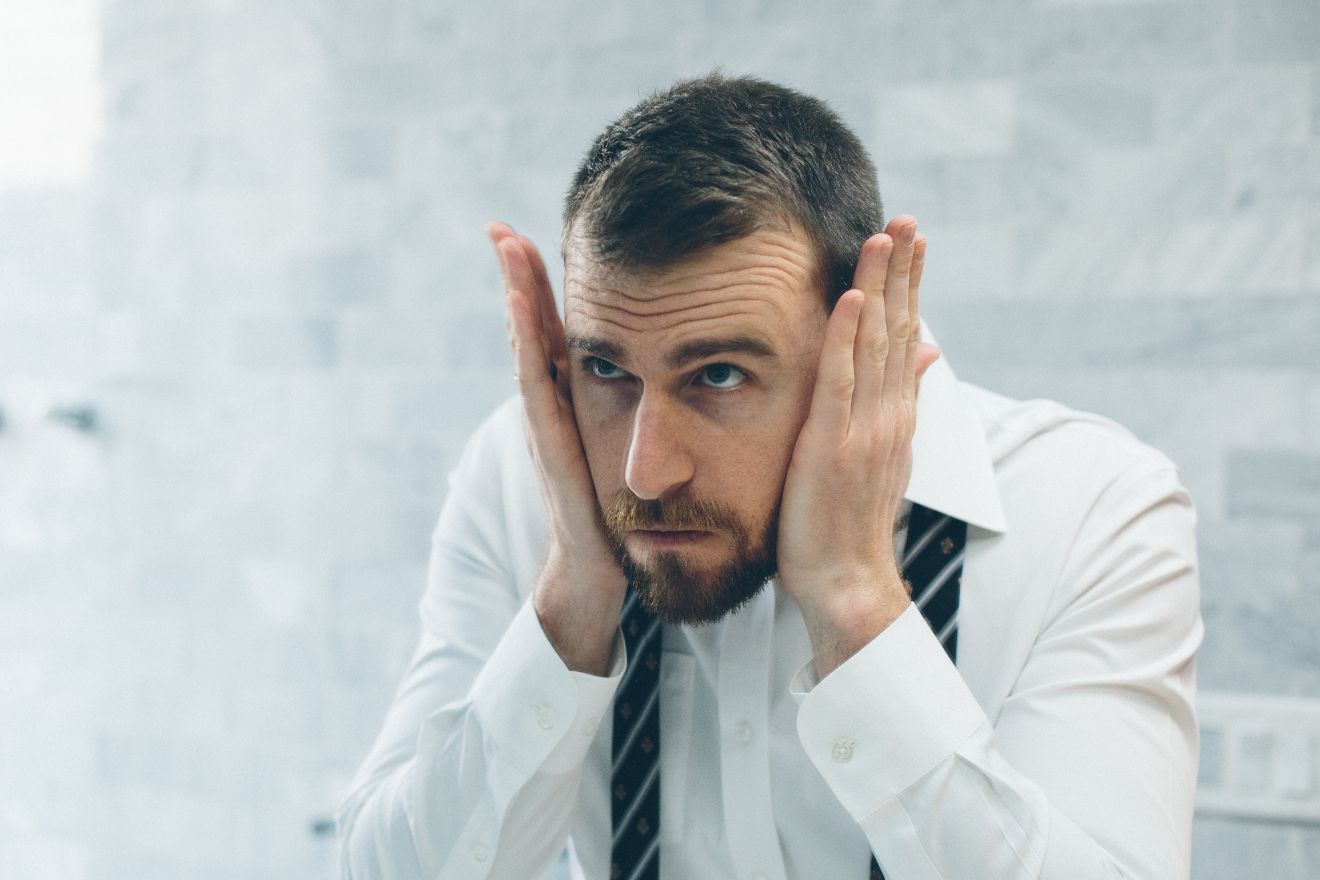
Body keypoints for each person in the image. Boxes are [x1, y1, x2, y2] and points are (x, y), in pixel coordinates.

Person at [335, 73, 1203, 879]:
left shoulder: (1095, 508)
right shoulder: (524, 476)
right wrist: (572, 602)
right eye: (608, 370)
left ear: (854, 351)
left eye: (717, 375)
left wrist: (857, 602)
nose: (646, 468)